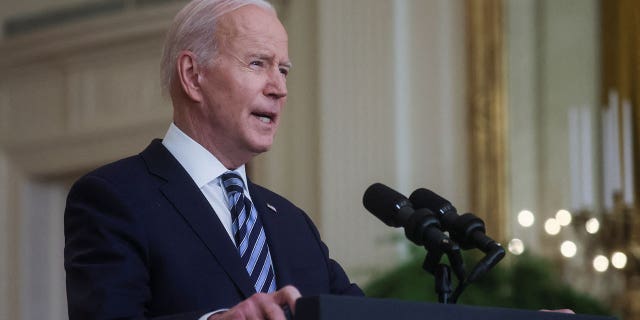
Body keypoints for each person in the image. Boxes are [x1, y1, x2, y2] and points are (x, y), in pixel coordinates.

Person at [63, 1, 363, 319]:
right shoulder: (113, 198)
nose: (279, 88)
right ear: (193, 76)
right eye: (258, 63)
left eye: (283, 70)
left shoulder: (294, 223)